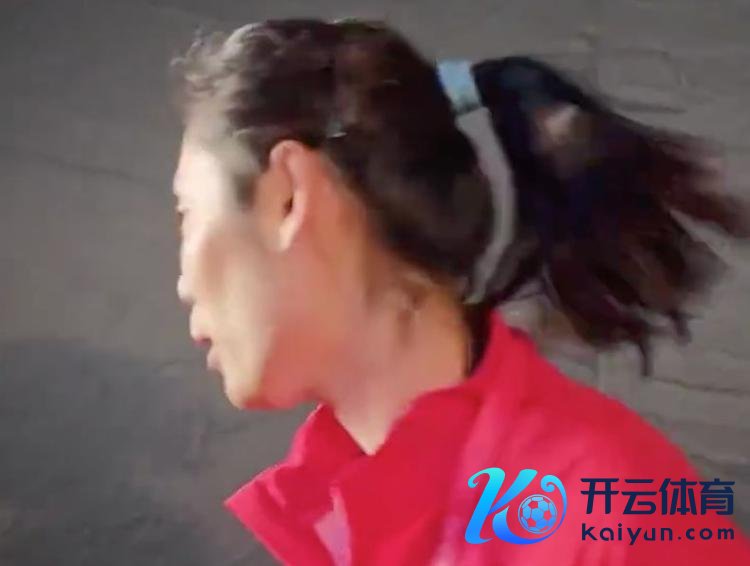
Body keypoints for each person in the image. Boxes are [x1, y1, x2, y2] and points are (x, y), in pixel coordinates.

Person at [171, 18, 750, 565]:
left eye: (188, 215)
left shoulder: (614, 513)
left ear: (289, 196)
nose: (183, 285)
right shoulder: (346, 510)